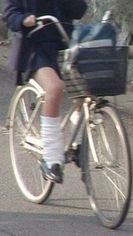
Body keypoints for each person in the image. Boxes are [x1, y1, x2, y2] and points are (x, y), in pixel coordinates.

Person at [3, 0, 87, 183]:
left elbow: (79, 10)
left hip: (65, 44)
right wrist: (23, 19)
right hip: (33, 47)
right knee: (54, 88)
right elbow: (10, 13)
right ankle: (51, 159)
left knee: (87, 89)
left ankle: (77, 143)